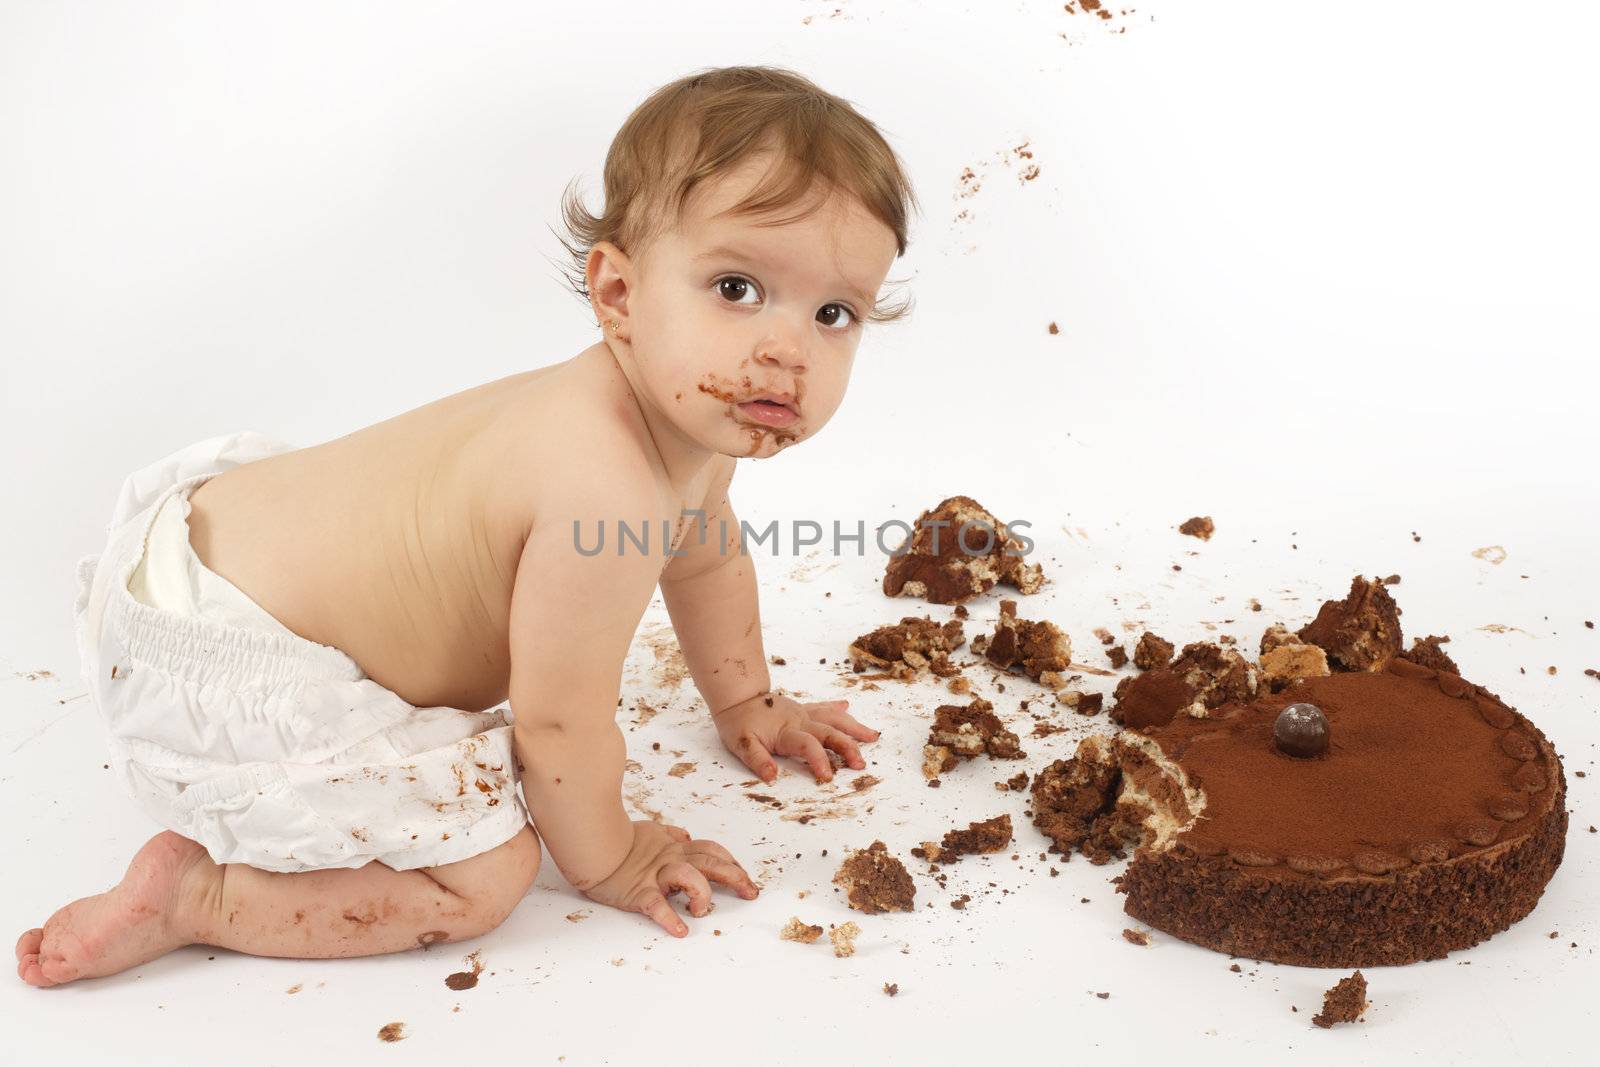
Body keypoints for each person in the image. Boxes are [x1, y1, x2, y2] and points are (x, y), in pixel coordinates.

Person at [16, 64, 919, 987]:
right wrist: (613, 859)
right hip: (228, 652)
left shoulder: (689, 427)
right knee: (484, 877)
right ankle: (199, 894)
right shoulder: (601, 484)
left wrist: (747, 702)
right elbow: (558, 722)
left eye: (834, 313)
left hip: (212, 542)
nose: (786, 349)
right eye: (735, 287)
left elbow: (707, 562)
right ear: (617, 292)